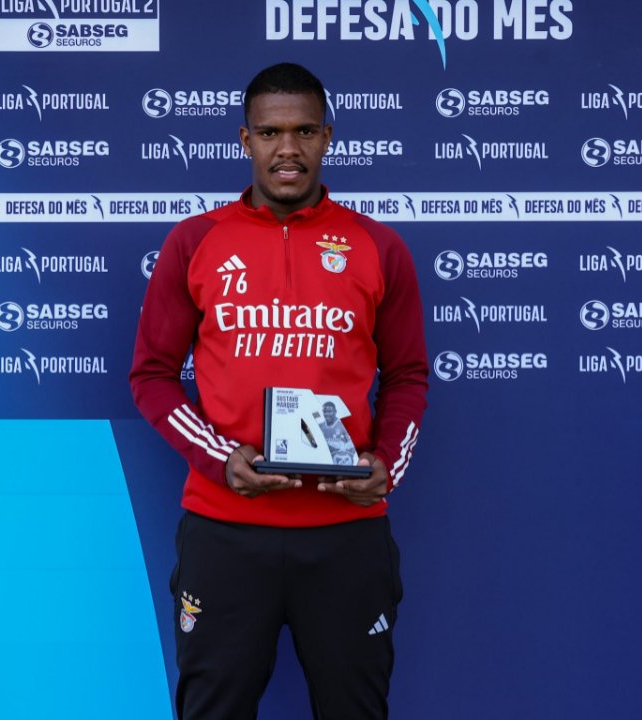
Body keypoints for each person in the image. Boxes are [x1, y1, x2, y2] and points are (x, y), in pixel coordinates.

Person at [130, 62, 428, 720]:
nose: (287, 149)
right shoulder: (195, 241)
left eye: (304, 131)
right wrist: (220, 459)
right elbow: (151, 375)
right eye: (269, 132)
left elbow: (408, 376)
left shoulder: (378, 246)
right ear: (245, 139)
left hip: (345, 532)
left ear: (327, 137)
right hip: (225, 531)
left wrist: (385, 465)